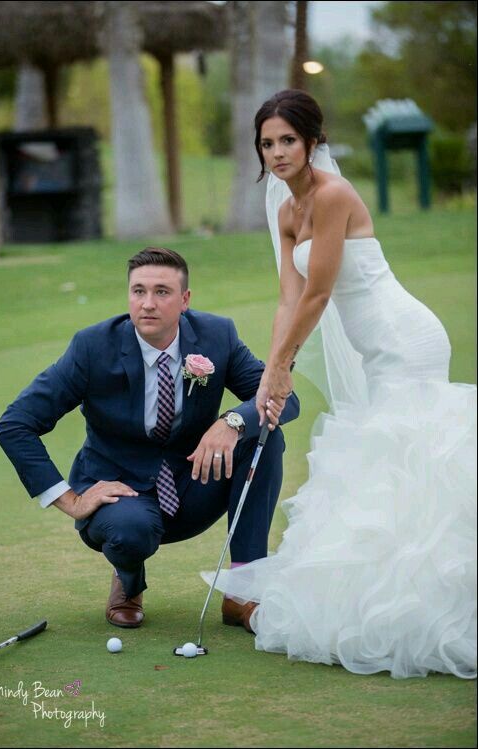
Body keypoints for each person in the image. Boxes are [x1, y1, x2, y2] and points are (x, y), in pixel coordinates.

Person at [202, 90, 477, 679]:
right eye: (267, 143)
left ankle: (430, 603)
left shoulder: (333, 196)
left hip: (405, 339)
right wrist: (270, 371)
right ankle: (391, 591)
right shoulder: (284, 213)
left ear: (312, 143)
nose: (276, 153)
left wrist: (284, 365)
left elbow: (322, 292)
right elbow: (289, 298)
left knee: (411, 459)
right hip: (371, 348)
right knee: (388, 463)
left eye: (287, 141)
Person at [0, 247, 299, 630]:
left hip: (194, 483)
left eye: (162, 292)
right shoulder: (93, 348)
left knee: (265, 438)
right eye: (138, 291)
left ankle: (242, 590)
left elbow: (283, 399)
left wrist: (233, 421)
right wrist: (69, 500)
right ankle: (128, 581)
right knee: (130, 532)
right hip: (121, 496)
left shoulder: (217, 336)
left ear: (185, 300)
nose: (148, 304)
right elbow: (15, 424)